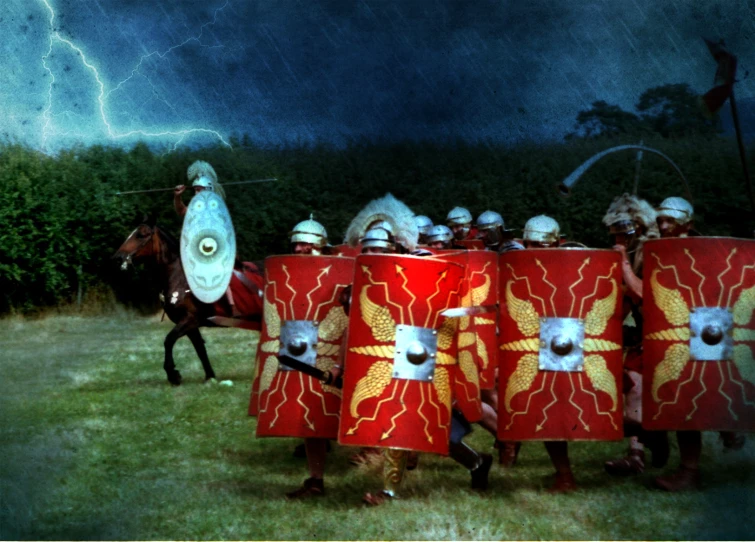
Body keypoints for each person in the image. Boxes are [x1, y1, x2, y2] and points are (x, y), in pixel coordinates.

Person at [344, 194, 493, 505]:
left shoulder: (420, 269)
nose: (373, 255)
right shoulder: (357, 283)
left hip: (426, 357)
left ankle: (478, 463)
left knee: (442, 433)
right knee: (397, 422)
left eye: (379, 250)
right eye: (368, 250)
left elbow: (453, 309)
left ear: (395, 249)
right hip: (389, 360)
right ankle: (388, 491)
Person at [601, 194, 670, 476]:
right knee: (634, 392)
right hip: (645, 334)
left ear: (638, 227)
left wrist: (624, 265)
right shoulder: (633, 253)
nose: (619, 238)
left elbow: (646, 294)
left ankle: (654, 440)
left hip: (672, 334)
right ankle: (637, 454)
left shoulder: (657, 251)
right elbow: (628, 299)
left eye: (624, 231)